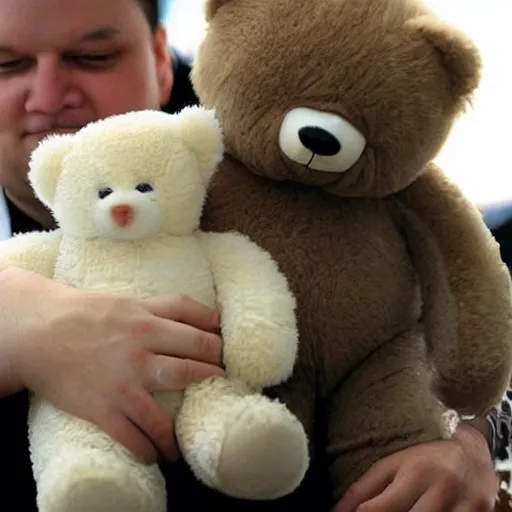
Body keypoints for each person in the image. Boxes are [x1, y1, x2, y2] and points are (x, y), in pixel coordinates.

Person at [0, 0, 508, 510]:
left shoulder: (269, 150)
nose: (46, 97)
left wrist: (468, 436)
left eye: (93, 56)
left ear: (160, 60)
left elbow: (463, 303)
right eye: (6, 65)